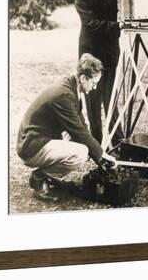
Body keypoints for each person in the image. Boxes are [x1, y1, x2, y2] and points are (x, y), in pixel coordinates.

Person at [16, 54, 116, 201]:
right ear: (83, 78)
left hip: (40, 139)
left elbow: (81, 126)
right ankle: (40, 177)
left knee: (85, 145)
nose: (95, 88)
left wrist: (98, 156)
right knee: (81, 153)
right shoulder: (64, 95)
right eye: (94, 83)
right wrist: (101, 154)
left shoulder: (72, 86)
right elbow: (78, 130)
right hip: (31, 146)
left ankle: (46, 176)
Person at [74, 0, 124, 146]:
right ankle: (96, 146)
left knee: (111, 99)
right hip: (91, 54)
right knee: (93, 103)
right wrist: (117, 26)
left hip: (111, 53)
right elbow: (91, 24)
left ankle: (118, 144)